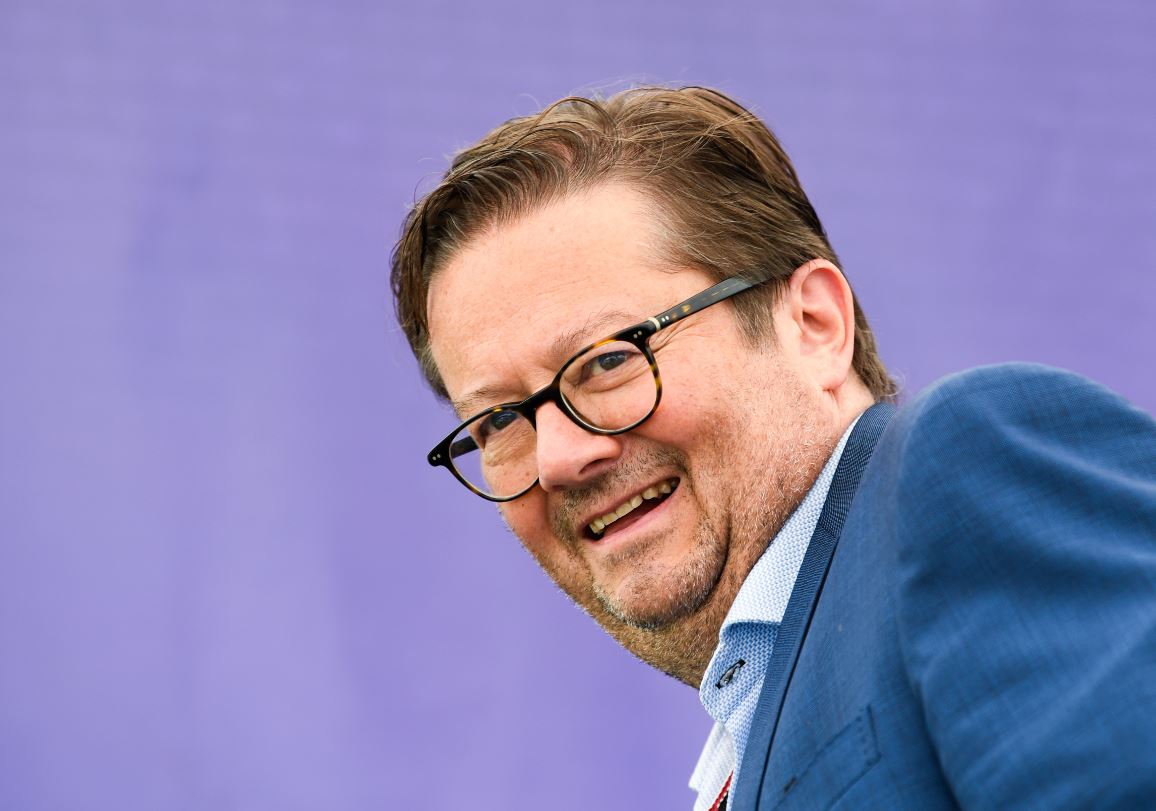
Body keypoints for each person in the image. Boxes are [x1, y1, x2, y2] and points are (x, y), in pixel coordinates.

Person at [390, 86, 1156, 810]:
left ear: (813, 325)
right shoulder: (753, 732)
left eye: (609, 360)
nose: (558, 456)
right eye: (498, 421)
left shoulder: (965, 469)